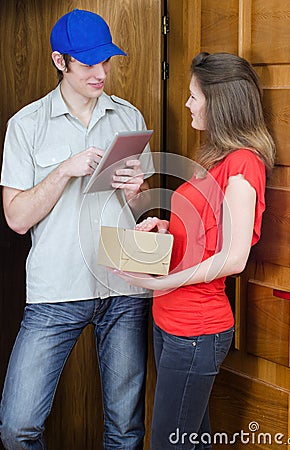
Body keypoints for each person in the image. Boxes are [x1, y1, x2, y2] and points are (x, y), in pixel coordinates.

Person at [0, 9, 154, 450]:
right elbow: (16, 217)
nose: (101, 73)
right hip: (56, 290)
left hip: (124, 286)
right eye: (88, 64)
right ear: (59, 61)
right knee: (17, 426)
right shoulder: (25, 126)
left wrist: (137, 191)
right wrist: (64, 171)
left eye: (106, 61)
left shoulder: (128, 117)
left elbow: (142, 212)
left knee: (125, 430)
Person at [116, 52, 275, 449]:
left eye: (193, 96)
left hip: (196, 330)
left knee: (169, 444)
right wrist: (167, 227)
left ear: (218, 103)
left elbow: (233, 257)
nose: (187, 104)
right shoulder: (215, 158)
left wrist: (165, 280)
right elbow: (208, 234)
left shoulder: (243, 165)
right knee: (191, 441)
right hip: (169, 321)